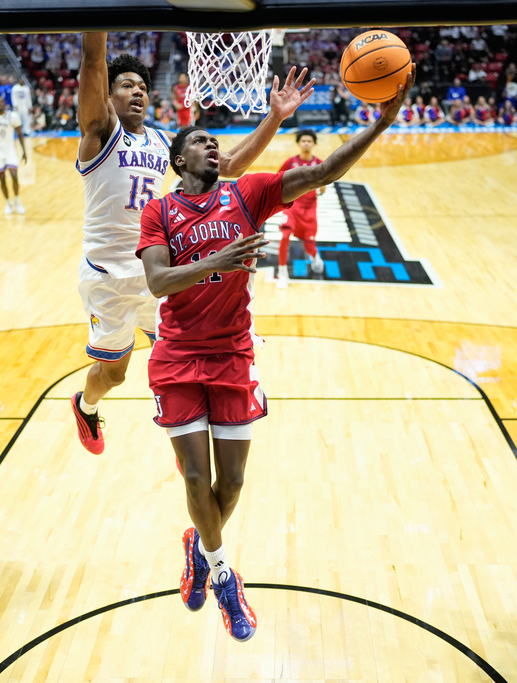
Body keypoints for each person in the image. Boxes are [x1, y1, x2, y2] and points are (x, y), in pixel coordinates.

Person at [135, 67, 416, 642]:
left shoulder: (249, 191)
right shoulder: (159, 212)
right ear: (180, 161)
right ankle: (224, 576)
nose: (212, 145)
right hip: (179, 353)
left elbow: (324, 171)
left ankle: (199, 544)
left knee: (231, 486)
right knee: (195, 478)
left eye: (216, 141)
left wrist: (382, 122)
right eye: (199, 142)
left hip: (235, 353)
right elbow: (159, 282)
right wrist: (217, 261)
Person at [70, 32, 313, 455]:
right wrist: (99, 21)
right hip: (108, 277)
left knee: (183, 364)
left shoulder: (164, 143)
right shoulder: (98, 132)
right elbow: (93, 59)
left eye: (143, 87)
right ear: (106, 95)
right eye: (126, 85)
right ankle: (86, 406)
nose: (137, 93)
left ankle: (195, 470)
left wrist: (274, 117)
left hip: (158, 271)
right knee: (114, 375)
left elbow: (231, 164)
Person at [275, 129, 325, 289]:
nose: (306, 144)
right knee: (285, 236)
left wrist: (321, 188)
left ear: (314, 144)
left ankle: (316, 257)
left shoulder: (319, 163)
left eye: (309, 141)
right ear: (299, 143)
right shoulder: (290, 162)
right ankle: (282, 272)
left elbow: (324, 187)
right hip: (292, 206)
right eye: (303, 141)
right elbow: (277, 179)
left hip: (309, 209)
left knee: (309, 244)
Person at [0, 94, 28, 215]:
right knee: (2, 179)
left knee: (14, 175)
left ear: (5, 104)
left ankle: (17, 200)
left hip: (10, 150)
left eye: (1, 102)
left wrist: (24, 151)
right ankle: (8, 202)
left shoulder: (12, 116)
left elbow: (19, 134)